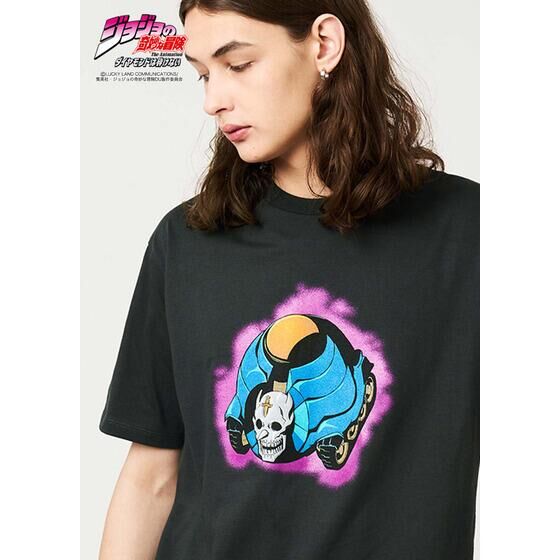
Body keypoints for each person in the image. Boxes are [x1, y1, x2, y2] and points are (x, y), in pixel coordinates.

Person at [98, 1, 479, 559]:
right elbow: (151, 476)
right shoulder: (187, 242)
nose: (212, 100)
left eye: (239, 64)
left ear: (324, 44)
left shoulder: (469, 233)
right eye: (203, 74)